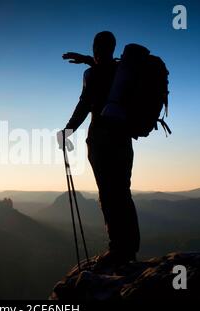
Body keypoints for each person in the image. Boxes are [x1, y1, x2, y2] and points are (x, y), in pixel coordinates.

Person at [57, 31, 140, 266]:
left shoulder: (93, 75)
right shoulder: (121, 72)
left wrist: (68, 130)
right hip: (123, 140)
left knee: (108, 194)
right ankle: (129, 250)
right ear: (113, 48)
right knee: (123, 192)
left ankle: (117, 250)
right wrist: (85, 59)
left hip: (101, 142)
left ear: (96, 47)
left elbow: (85, 104)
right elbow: (107, 66)